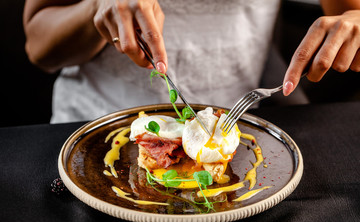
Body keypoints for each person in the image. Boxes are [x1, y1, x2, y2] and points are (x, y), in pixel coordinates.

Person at [23, 0, 360, 123]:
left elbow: (351, 15)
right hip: (93, 123)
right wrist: (95, 8)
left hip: (245, 130)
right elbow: (39, 46)